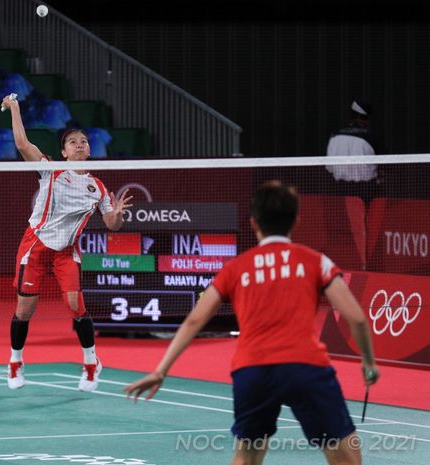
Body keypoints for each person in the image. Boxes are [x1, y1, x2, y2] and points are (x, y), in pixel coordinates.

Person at [124, 181, 379, 465]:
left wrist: (161, 370)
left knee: (246, 459)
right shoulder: (315, 261)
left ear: (253, 223)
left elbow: (196, 319)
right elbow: (355, 317)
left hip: (253, 371)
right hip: (305, 368)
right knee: (346, 458)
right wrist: (368, 363)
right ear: (296, 220)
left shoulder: (234, 268)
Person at [1, 94, 133, 392]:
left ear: (88, 151)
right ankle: (15, 360)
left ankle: (90, 362)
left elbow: (112, 224)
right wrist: (16, 108)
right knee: (24, 311)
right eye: (73, 141)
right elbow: (23, 145)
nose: (80, 144)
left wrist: (119, 215)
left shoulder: (98, 187)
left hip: (66, 252)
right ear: (63, 151)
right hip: (35, 246)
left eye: (84, 141)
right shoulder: (51, 170)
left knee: (76, 305)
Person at [325, 100, 384, 204]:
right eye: (365, 118)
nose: (366, 122)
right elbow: (383, 167)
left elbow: (329, 168)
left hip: (340, 190)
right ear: (358, 118)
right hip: (366, 190)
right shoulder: (373, 137)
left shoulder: (334, 136)